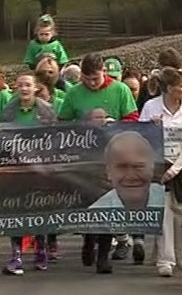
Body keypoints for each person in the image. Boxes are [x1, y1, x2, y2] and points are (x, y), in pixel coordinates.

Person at [58, 53, 138, 274]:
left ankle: (103, 255)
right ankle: (88, 238)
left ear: (103, 72)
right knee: (87, 202)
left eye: (96, 78)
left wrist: (116, 124)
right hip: (85, 157)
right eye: (87, 79)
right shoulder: (74, 93)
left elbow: (133, 119)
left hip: (112, 155)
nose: (92, 83)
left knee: (108, 204)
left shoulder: (120, 90)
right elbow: (63, 122)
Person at [139, 67, 182, 277]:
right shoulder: (150, 107)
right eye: (180, 86)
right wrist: (151, 127)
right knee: (162, 215)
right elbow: (141, 138)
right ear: (168, 88)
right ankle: (165, 260)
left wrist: (175, 169)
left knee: (180, 215)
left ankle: (180, 252)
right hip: (157, 169)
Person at [0, 72, 58, 275]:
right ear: (15, 88)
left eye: (27, 85)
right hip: (15, 168)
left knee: (39, 210)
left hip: (40, 168)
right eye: (20, 85)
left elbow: (55, 138)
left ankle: (40, 250)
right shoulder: (8, 111)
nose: (24, 89)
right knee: (16, 211)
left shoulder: (47, 110)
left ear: (35, 88)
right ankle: (16, 255)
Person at [88, 131, 163, 209]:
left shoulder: (169, 199)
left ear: (152, 167)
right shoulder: (95, 212)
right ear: (108, 172)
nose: (131, 176)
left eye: (138, 166)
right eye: (122, 167)